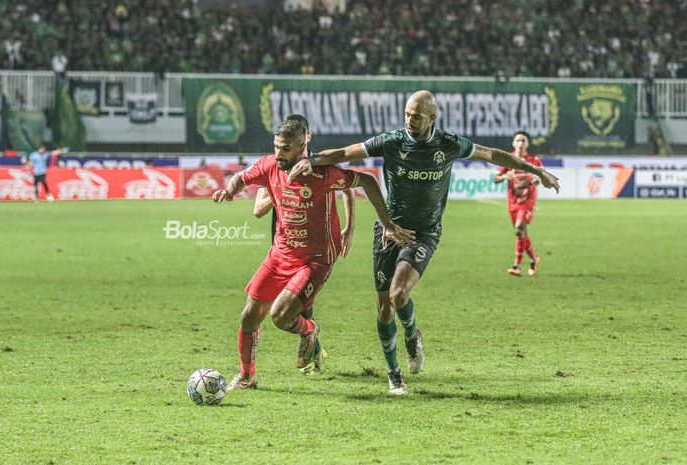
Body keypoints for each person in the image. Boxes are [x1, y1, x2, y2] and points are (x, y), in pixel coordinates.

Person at [288, 90, 560, 395]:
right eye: (406, 114)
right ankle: (394, 374)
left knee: (399, 294)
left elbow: (493, 154)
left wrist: (537, 170)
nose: (409, 120)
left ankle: (412, 336)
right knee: (382, 308)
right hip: (389, 230)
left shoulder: (449, 144)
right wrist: (311, 160)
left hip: (425, 232)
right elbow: (344, 153)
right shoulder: (392, 141)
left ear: (432, 117)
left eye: (416, 116)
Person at [213, 119, 414, 390]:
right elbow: (241, 177)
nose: (278, 154)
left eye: (284, 149)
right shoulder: (270, 165)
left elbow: (365, 181)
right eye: (276, 147)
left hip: (316, 259)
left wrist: (386, 225)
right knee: (248, 315)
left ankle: (309, 331)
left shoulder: (322, 174)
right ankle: (248, 375)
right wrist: (229, 191)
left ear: (302, 147)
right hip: (280, 253)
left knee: (281, 316)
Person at [252, 114, 356, 375]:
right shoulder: (274, 167)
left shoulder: (318, 165)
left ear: (306, 138)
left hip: (314, 245)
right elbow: (257, 210)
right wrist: (281, 191)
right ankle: (312, 348)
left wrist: (349, 226)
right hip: (283, 241)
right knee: (293, 305)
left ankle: (313, 353)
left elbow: (349, 187)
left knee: (300, 304)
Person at [493, 131, 543, 277]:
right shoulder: (507, 159)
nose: (520, 143)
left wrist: (537, 180)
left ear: (527, 144)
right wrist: (504, 176)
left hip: (528, 201)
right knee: (521, 233)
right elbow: (495, 179)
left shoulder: (534, 160)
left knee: (518, 228)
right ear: (513, 143)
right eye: (518, 140)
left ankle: (516, 265)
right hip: (513, 202)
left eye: (523, 140)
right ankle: (534, 258)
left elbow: (541, 178)